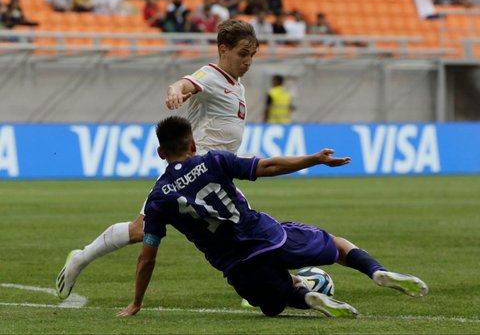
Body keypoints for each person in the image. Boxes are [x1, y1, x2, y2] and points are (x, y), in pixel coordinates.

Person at [117, 116, 428, 318]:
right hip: (267, 236)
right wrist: (313, 160)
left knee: (274, 303)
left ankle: (308, 298)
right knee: (334, 244)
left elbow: (148, 255)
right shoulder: (213, 160)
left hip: (236, 265)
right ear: (193, 144)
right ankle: (376, 272)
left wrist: (137, 303)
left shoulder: (158, 198)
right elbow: (266, 167)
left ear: (160, 153)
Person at [56, 20, 259, 300]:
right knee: (141, 230)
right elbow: (184, 83)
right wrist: (175, 91)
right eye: (242, 53)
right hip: (190, 172)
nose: (248, 61)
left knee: (241, 228)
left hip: (214, 176)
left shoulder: (237, 85)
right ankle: (79, 259)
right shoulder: (211, 76)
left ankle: (261, 288)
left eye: (252, 55)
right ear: (223, 50)